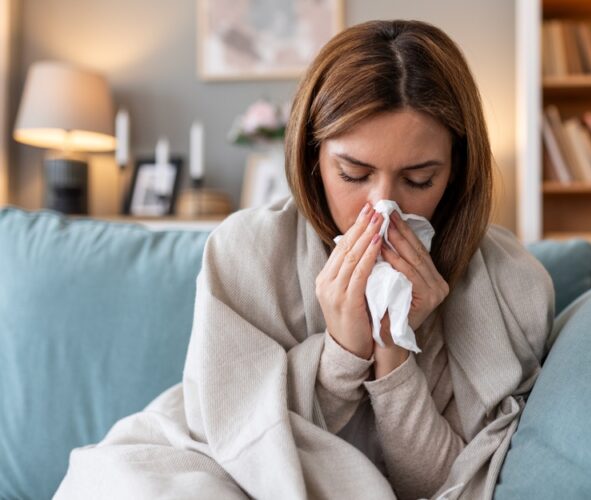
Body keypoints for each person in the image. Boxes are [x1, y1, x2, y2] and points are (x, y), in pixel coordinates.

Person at [55, 19, 553, 500]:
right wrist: (342, 351)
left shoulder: (510, 285)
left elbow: (446, 485)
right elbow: (234, 439)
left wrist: (392, 349)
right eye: (353, 174)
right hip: (203, 457)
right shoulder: (245, 250)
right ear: (313, 159)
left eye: (419, 179)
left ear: (456, 172)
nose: (383, 207)